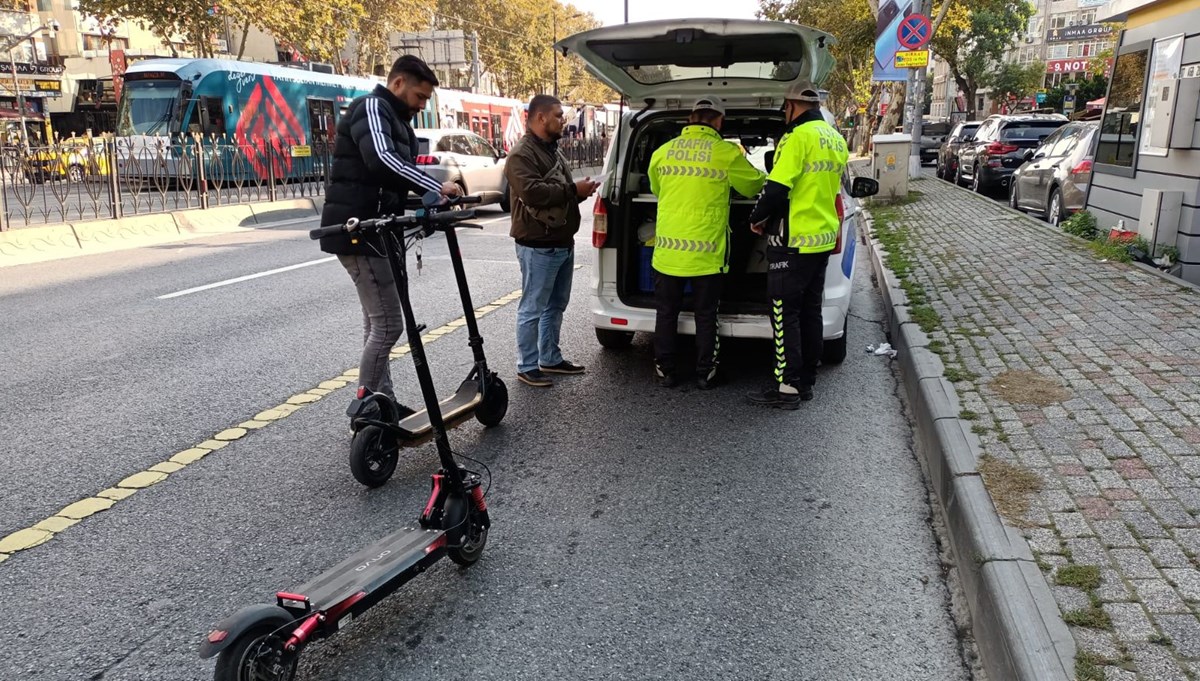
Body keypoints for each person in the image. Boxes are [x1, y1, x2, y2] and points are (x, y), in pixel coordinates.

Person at [318, 55, 461, 425]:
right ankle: (367, 409)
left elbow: (390, 180)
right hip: (360, 231)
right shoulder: (372, 108)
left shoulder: (396, 119)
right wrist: (435, 187)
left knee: (375, 322)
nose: (422, 105)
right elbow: (382, 160)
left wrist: (426, 203)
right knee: (388, 324)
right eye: (419, 96)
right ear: (398, 83)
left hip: (378, 228)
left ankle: (383, 402)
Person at [647, 95, 766, 389]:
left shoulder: (663, 152)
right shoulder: (725, 153)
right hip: (706, 254)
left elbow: (656, 187)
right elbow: (753, 185)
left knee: (666, 313)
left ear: (690, 118)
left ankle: (665, 370)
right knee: (706, 315)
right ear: (719, 121)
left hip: (667, 253)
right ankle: (705, 373)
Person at [746, 80, 849, 409]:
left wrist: (757, 217)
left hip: (792, 241)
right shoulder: (835, 138)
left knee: (783, 313)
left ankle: (787, 386)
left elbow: (776, 187)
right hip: (821, 240)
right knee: (809, 311)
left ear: (790, 106)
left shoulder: (796, 137)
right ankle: (806, 380)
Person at [504, 94, 599, 388]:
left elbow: (557, 191)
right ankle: (527, 365)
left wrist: (579, 192)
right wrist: (573, 190)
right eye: (558, 115)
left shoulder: (551, 150)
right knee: (532, 308)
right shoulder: (521, 154)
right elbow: (533, 193)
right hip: (538, 245)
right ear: (540, 117)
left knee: (555, 305)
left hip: (561, 241)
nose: (563, 121)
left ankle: (550, 358)